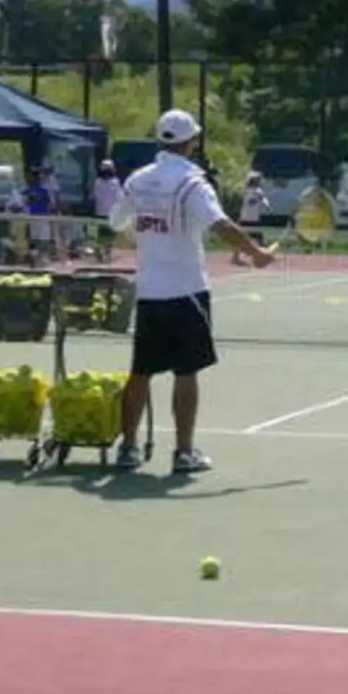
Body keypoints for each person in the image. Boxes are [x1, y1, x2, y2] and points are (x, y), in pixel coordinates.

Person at [108, 109, 278, 475]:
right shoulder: (193, 183)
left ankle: (128, 449)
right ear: (191, 142)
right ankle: (184, 453)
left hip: (150, 292)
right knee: (186, 373)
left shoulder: (137, 181)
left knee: (140, 372)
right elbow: (221, 225)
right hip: (187, 291)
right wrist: (258, 254)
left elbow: (116, 222)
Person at [92, 159, 124, 263]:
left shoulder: (100, 182)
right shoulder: (112, 182)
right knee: (106, 234)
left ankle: (104, 252)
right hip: (106, 212)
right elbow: (119, 197)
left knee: (106, 234)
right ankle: (103, 253)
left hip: (105, 212)